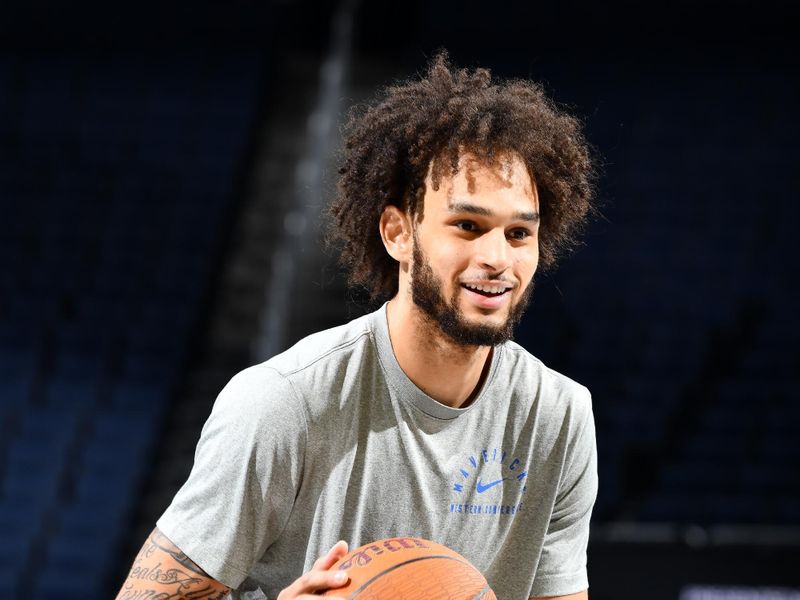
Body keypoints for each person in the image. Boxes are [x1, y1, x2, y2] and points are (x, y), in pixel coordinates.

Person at [115, 52, 598, 600]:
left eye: (518, 234)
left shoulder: (558, 416)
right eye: (467, 226)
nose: (497, 259)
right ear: (397, 232)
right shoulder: (283, 403)